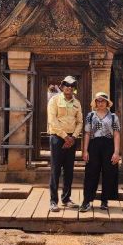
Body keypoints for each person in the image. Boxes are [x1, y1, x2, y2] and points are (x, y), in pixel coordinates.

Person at [47, 75, 83, 212]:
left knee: (69, 170)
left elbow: (79, 122)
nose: (69, 87)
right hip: (57, 138)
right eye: (66, 85)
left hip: (72, 139)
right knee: (55, 170)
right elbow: (52, 121)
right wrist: (65, 137)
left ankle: (66, 199)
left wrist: (73, 137)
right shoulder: (54, 100)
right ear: (62, 86)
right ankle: (53, 201)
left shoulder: (77, 103)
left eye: (72, 85)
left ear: (74, 88)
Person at [80, 92, 121, 212]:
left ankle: (105, 200)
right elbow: (87, 133)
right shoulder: (90, 116)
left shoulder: (113, 116)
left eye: (103, 101)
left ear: (107, 103)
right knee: (91, 173)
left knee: (109, 172)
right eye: (98, 101)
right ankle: (87, 201)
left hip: (109, 145)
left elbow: (117, 135)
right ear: (95, 103)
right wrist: (85, 150)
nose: (100, 103)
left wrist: (116, 152)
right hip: (94, 145)